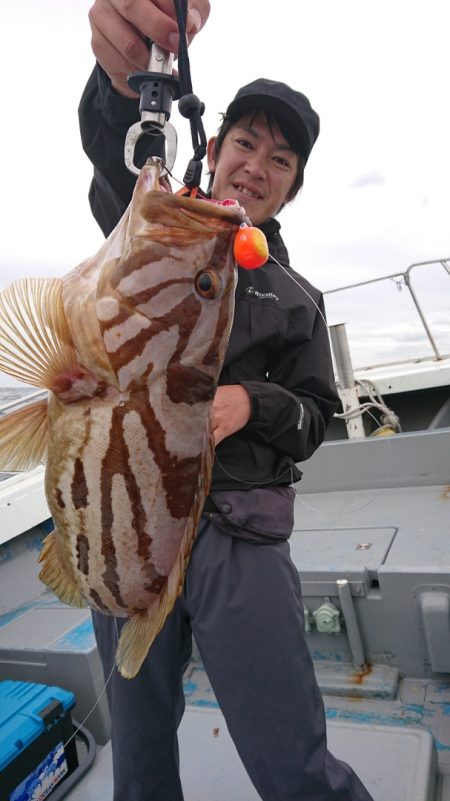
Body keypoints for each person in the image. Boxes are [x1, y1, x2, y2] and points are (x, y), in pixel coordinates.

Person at [79, 2, 374, 799]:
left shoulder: (298, 298)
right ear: (211, 148)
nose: (257, 165)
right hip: (133, 523)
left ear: (293, 186)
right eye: (245, 142)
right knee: (138, 759)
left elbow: (317, 415)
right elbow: (117, 154)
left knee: (290, 757)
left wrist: (253, 401)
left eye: (280, 160)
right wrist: (121, 80)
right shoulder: (159, 228)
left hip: (238, 535)